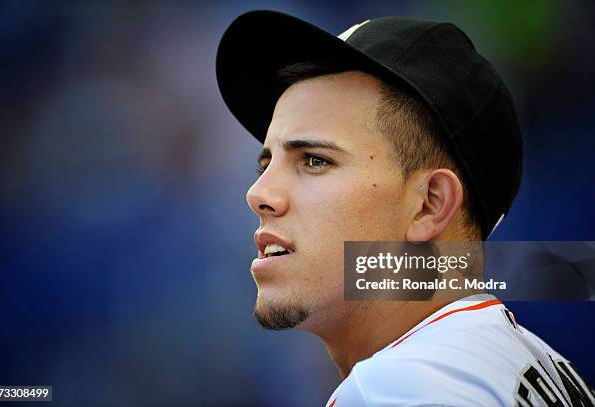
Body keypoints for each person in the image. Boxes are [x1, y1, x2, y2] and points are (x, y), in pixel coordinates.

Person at [216, 10, 594, 406]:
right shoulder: (536, 367)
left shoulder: (397, 385)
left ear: (430, 204)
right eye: (265, 163)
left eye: (315, 160)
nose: (259, 193)